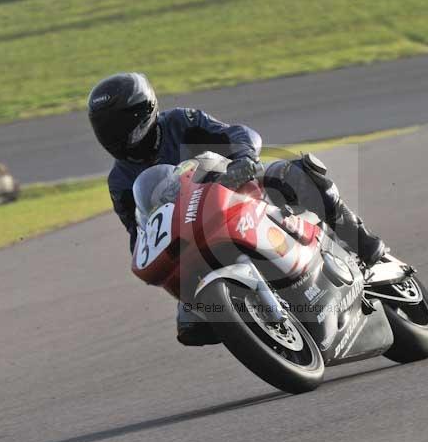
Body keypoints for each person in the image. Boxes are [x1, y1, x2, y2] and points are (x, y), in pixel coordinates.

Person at [88, 72, 386, 346]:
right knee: (191, 325)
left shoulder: (180, 121)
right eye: (105, 128)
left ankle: (360, 240)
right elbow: (138, 232)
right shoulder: (119, 181)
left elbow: (237, 133)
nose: (113, 135)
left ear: (144, 111)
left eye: (118, 126)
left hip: (236, 189)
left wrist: (243, 159)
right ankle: (250, 320)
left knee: (295, 173)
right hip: (193, 235)